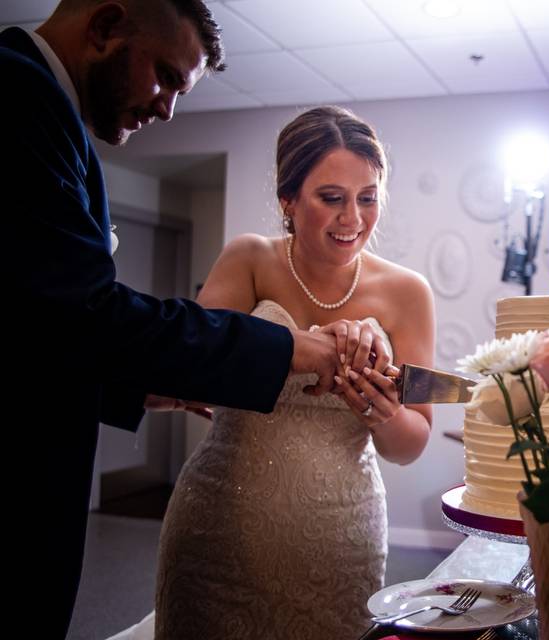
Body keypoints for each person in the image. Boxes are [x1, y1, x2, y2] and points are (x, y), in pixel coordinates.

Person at [1, 2, 344, 637]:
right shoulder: (17, 95)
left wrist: (143, 386)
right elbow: (86, 313)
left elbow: (29, 328)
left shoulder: (57, 117)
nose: (166, 109)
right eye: (165, 76)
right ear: (105, 27)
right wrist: (285, 348)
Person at [146, 105, 435, 638]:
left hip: (340, 535)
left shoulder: (407, 292)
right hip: (218, 524)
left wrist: (379, 409)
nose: (353, 218)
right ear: (288, 200)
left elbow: (410, 443)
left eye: (367, 198)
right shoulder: (249, 260)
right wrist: (296, 347)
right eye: (332, 199)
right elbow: (188, 369)